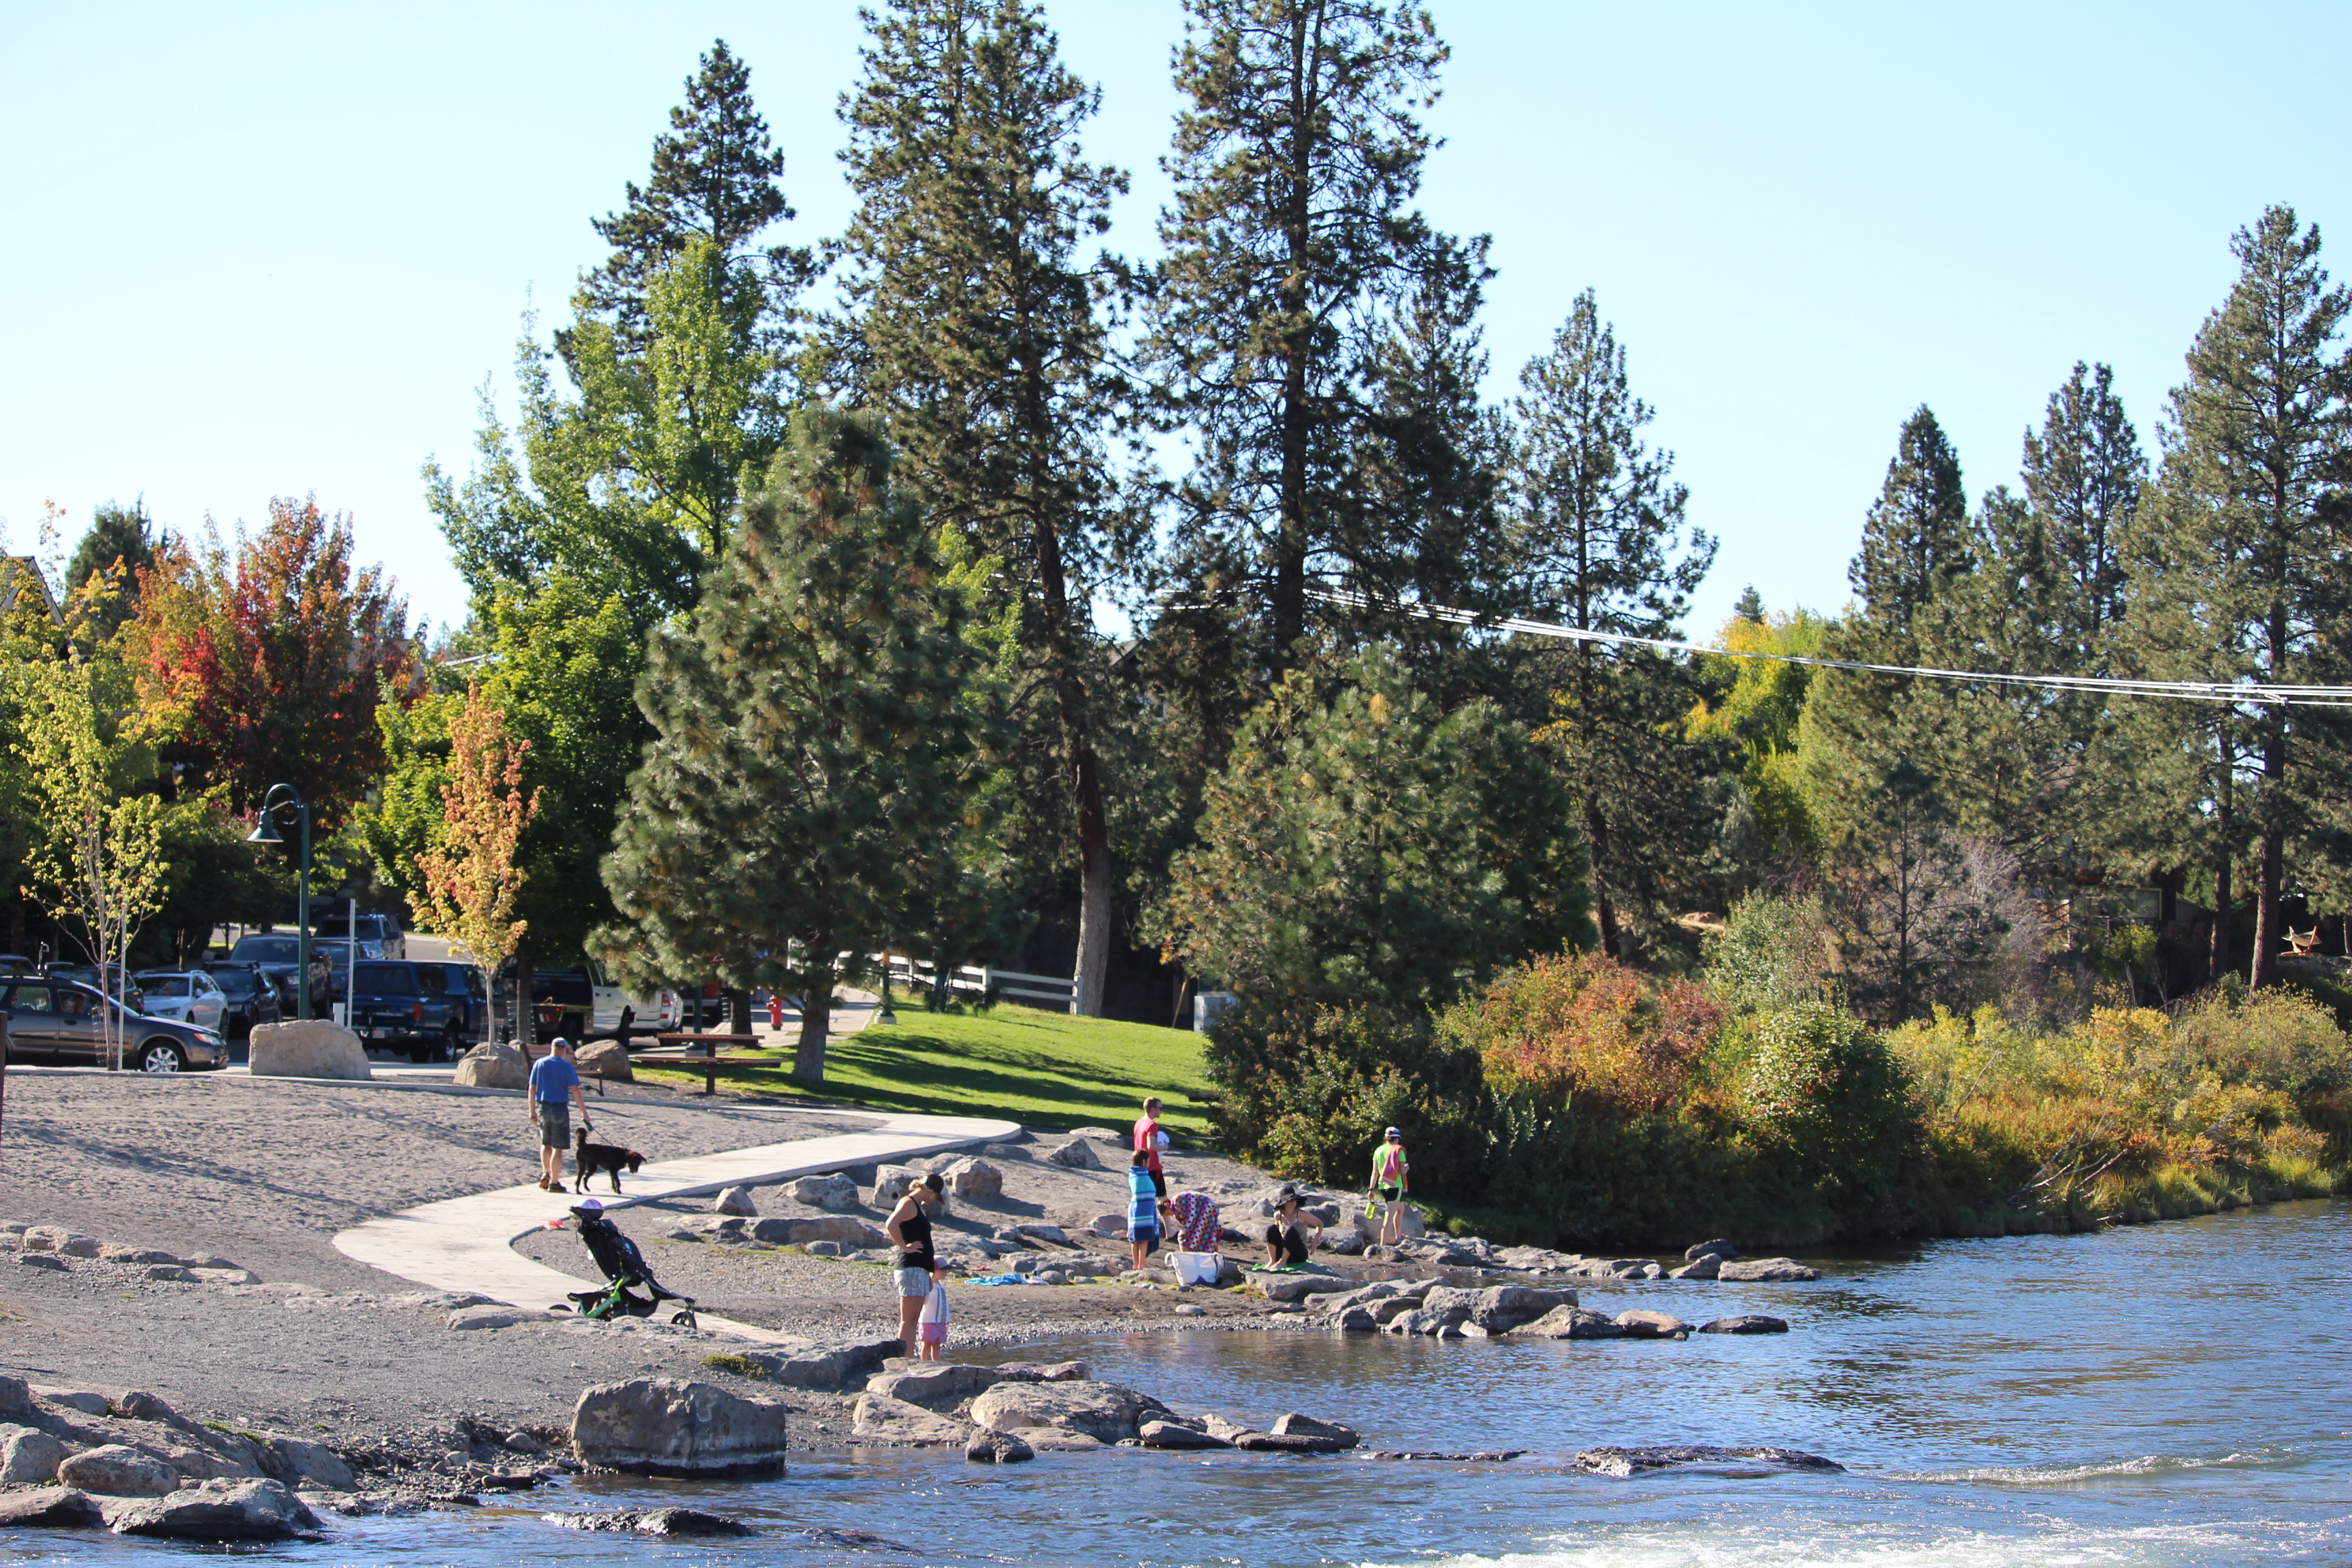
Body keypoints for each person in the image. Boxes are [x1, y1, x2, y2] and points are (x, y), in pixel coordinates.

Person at [885, 1172, 947, 1357]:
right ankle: (904, 1358)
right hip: (911, 1267)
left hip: (918, 1269)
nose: (936, 1201)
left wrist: (928, 1273)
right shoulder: (908, 1203)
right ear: (930, 1192)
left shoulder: (918, 1207)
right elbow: (891, 1224)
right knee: (909, 1321)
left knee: (912, 1320)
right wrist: (905, 1247)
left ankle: (907, 1357)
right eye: (937, 1197)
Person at [527, 1038, 591, 1192]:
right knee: (558, 1147)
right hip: (559, 1108)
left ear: (552, 1048)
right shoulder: (566, 1066)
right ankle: (554, 1183)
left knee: (546, 1143)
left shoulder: (539, 1063)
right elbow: (575, 1090)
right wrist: (584, 1113)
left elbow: (531, 1088)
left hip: (542, 1107)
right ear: (564, 1050)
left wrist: (531, 1111)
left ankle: (545, 1173)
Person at [1262, 1183, 1324, 1268]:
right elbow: (1275, 1234)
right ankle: (1272, 1260)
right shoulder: (1278, 1215)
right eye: (1289, 1201)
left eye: (1294, 1200)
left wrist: (1314, 1243)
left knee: (1290, 1230)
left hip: (1298, 1254)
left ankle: (1282, 1262)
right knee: (1271, 1228)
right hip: (1282, 1251)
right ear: (1284, 1203)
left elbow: (1320, 1224)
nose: (1293, 1203)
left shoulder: (1302, 1215)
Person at [1369, 1126, 1410, 1249]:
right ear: (1397, 1139)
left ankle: (1398, 1236)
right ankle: (1382, 1245)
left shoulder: (1378, 1150)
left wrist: (1371, 1189)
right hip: (1395, 1185)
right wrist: (1407, 1168)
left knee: (1400, 1208)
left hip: (1383, 1186)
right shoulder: (1399, 1151)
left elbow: (1375, 1172)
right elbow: (1403, 1171)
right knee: (1389, 1215)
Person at [1127, 1149, 1168, 1273]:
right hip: (1145, 1210)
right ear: (1144, 1161)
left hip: (1136, 1209)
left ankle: (1136, 1264)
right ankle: (1142, 1263)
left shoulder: (1133, 1174)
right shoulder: (1142, 1175)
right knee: (1144, 1238)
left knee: (1135, 1239)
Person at [1133, 1096, 1168, 1198]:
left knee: (1145, 1196)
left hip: (1140, 1165)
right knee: (1162, 1199)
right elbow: (1151, 1146)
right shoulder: (1152, 1125)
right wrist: (1164, 1147)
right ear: (1153, 1109)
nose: (1161, 1111)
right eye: (1160, 1108)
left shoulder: (1139, 1123)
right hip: (1152, 1165)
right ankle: (1166, 1215)